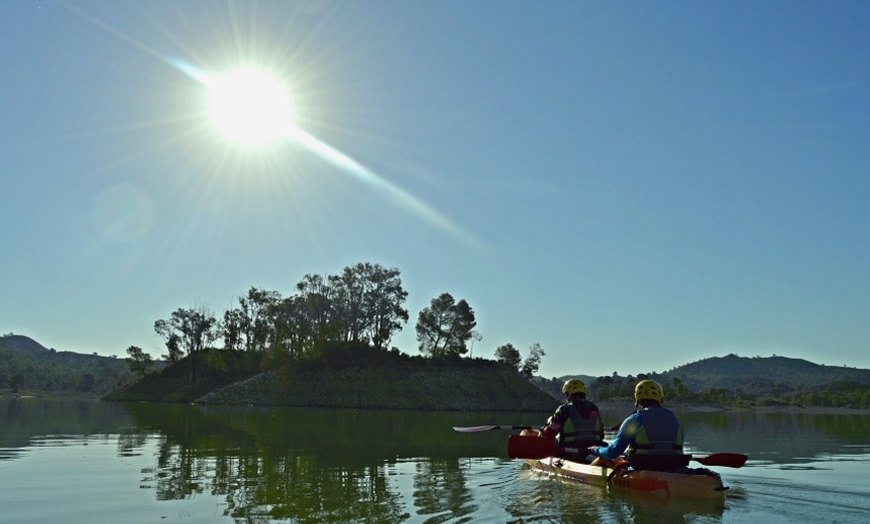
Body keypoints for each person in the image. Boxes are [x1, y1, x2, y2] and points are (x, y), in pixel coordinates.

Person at [587, 379, 690, 471]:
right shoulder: (676, 421)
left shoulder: (634, 420)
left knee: (603, 457)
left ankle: (586, 478)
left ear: (637, 400)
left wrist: (596, 449)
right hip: (674, 466)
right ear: (660, 399)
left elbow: (613, 452)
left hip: (642, 468)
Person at [540, 379, 605, 462]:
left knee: (544, 431)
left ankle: (547, 457)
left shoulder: (564, 409)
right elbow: (601, 435)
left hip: (570, 451)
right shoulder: (594, 408)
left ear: (568, 394)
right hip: (594, 449)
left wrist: (546, 426)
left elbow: (549, 434)